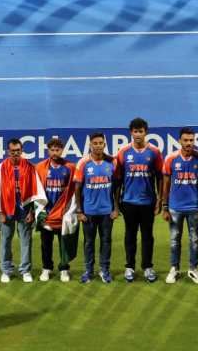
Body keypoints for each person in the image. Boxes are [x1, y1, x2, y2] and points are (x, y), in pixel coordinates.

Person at [0, 138, 47, 284]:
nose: (15, 153)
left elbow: (36, 191)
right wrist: (0, 212)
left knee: (26, 241)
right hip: (7, 209)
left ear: (21, 151)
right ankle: (6, 270)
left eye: (18, 151)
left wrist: (33, 212)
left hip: (25, 210)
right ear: (8, 151)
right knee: (5, 241)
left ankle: (25, 271)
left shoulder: (29, 167)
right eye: (12, 151)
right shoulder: (1, 167)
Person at [115, 117, 163, 283]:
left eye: (140, 131)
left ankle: (148, 267)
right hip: (128, 202)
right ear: (131, 133)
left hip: (148, 202)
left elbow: (160, 178)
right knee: (130, 235)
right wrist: (116, 203)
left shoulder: (155, 152)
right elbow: (118, 180)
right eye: (135, 131)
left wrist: (159, 200)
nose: (138, 134)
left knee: (147, 236)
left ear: (145, 133)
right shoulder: (123, 152)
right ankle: (129, 267)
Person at [161, 127, 198, 284]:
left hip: (194, 207)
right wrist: (165, 207)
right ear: (180, 141)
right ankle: (174, 268)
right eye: (186, 140)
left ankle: (193, 269)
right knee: (175, 239)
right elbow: (165, 185)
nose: (189, 143)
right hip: (175, 207)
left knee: (195, 239)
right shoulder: (171, 159)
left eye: (191, 140)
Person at [74, 132, 118, 284]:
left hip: (107, 211)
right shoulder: (83, 163)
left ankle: (104, 270)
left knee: (106, 241)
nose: (98, 145)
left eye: (100, 143)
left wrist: (116, 208)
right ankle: (88, 271)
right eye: (95, 143)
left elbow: (117, 187)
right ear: (90, 145)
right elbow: (77, 189)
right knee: (88, 242)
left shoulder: (112, 162)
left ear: (104, 145)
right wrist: (79, 211)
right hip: (89, 212)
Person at [37, 137, 77, 282]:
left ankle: (64, 269)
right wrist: (38, 211)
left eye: (58, 150)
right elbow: (36, 191)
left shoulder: (70, 167)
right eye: (52, 150)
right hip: (46, 213)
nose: (55, 152)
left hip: (63, 214)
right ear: (48, 150)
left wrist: (71, 211)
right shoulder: (40, 167)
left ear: (62, 150)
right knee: (45, 243)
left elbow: (74, 191)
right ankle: (46, 268)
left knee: (64, 243)